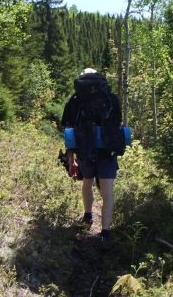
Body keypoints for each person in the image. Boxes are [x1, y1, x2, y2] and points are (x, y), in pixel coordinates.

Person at [61, 68, 122, 250]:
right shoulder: (111, 98)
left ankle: (88, 215)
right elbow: (117, 123)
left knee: (87, 181)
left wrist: (71, 156)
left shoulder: (75, 99)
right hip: (108, 149)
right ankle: (105, 233)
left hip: (84, 149)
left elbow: (68, 128)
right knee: (108, 191)